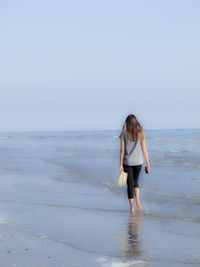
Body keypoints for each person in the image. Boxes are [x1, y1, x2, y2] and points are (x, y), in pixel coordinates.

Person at [119, 114, 150, 213]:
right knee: (136, 182)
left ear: (127, 123)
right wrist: (148, 164)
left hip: (127, 163)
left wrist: (120, 165)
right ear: (136, 122)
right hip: (139, 162)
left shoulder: (124, 134)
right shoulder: (141, 133)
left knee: (130, 184)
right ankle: (137, 201)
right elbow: (144, 149)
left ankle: (132, 208)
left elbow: (122, 151)